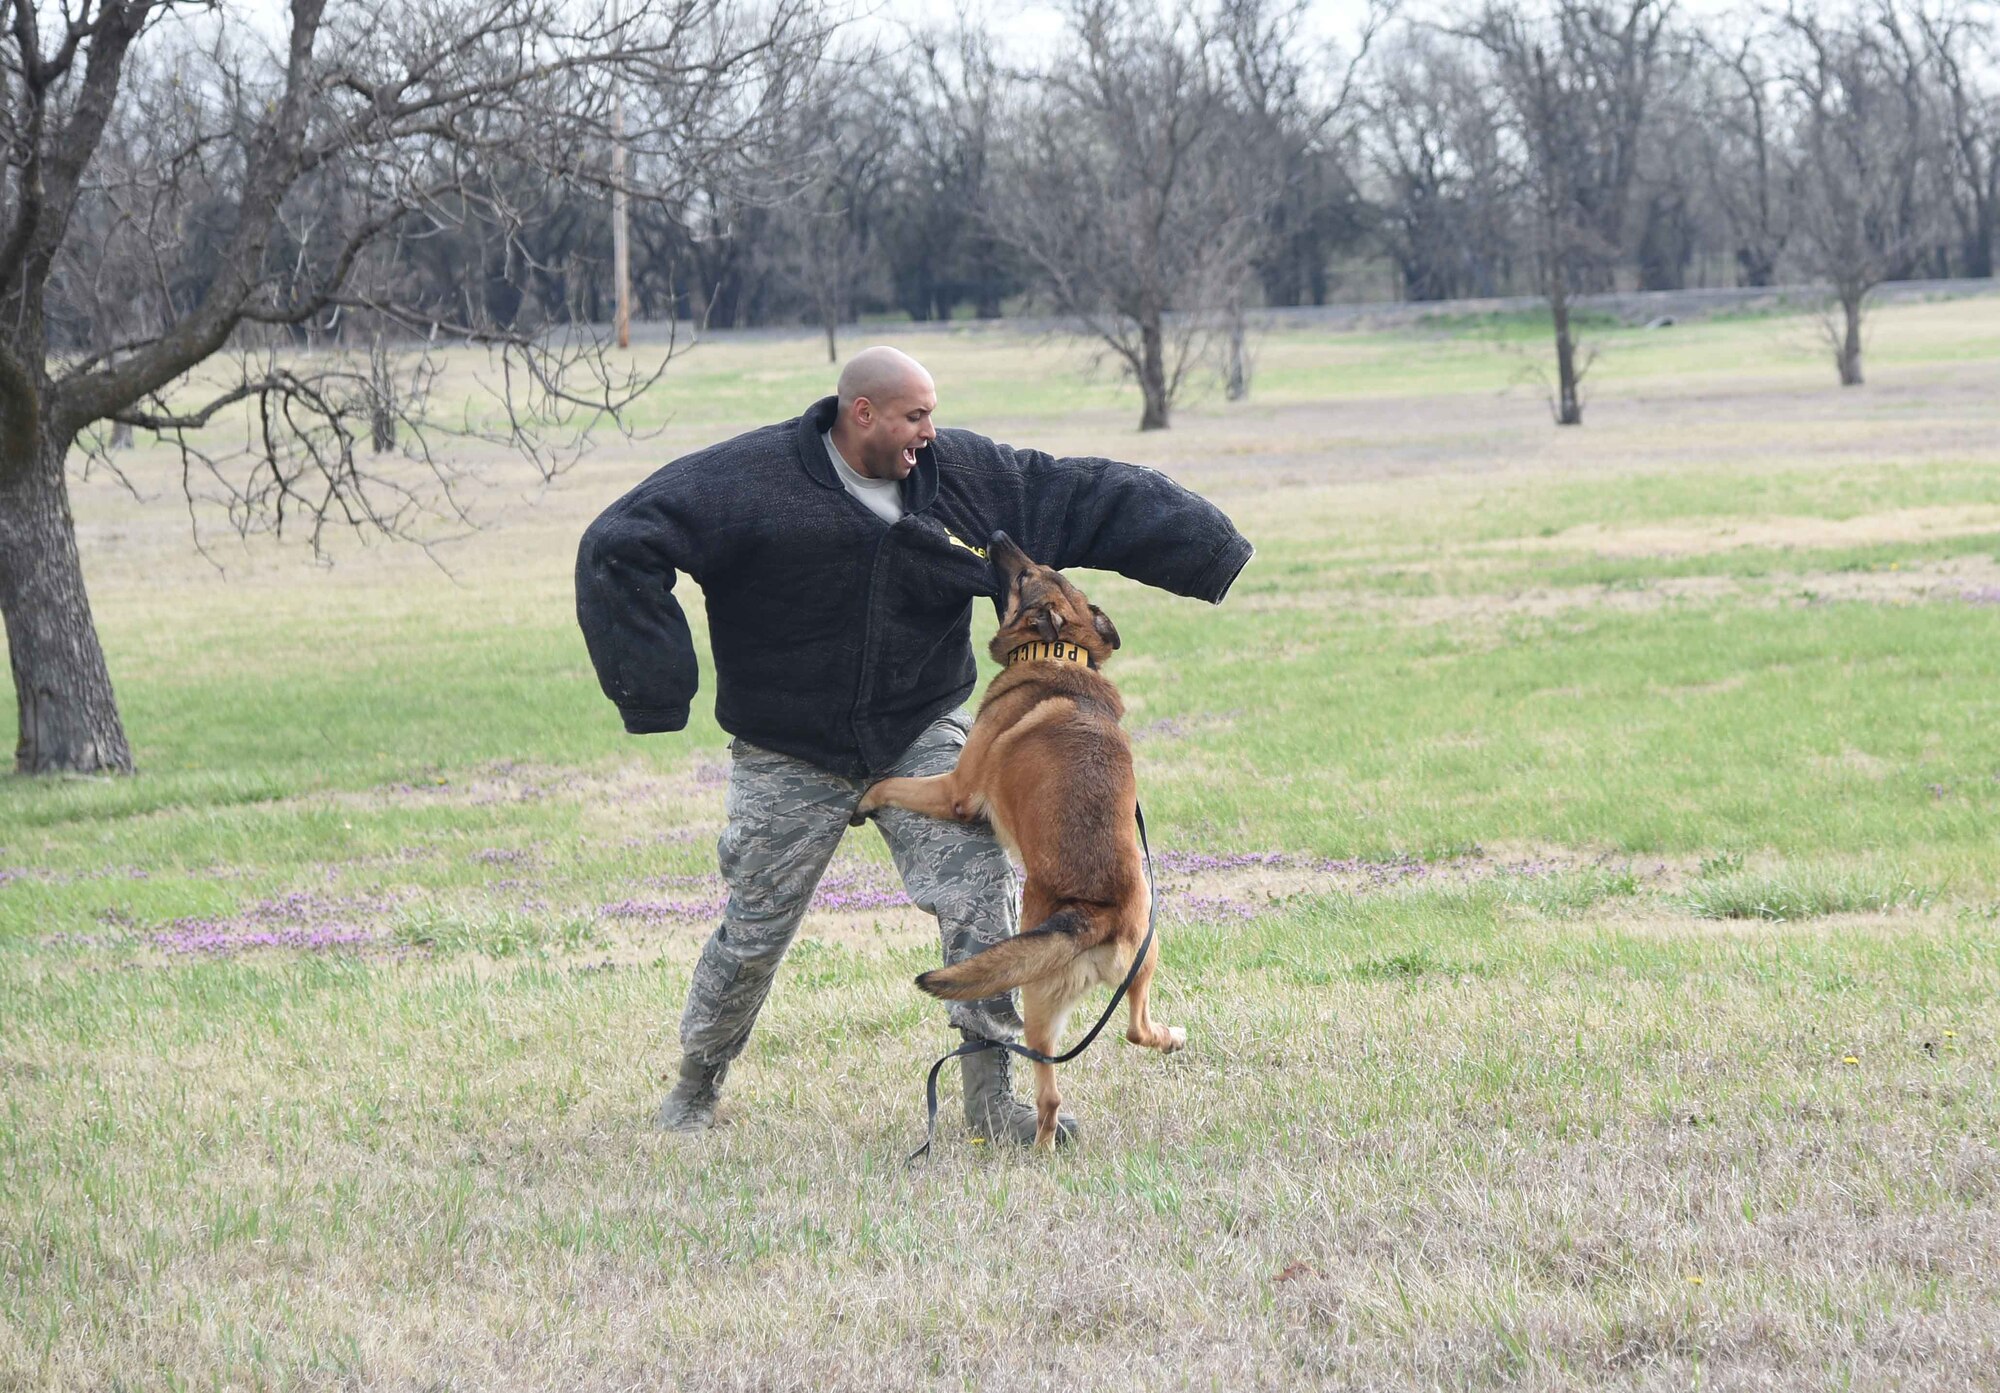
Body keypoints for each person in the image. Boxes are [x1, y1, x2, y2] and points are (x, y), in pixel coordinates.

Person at [575, 347, 1252, 1144]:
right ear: (861, 412)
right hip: (786, 746)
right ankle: (696, 1084)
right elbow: (620, 539)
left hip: (918, 730)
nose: (930, 434)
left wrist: (1211, 550)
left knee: (981, 897)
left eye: (933, 416)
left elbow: (1079, 493)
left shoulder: (962, 475)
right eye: (914, 417)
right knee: (754, 931)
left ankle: (994, 1100)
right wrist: (653, 687)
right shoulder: (751, 481)